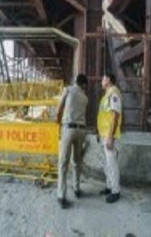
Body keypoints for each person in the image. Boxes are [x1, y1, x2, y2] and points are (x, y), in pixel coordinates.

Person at [55, 73, 89, 208]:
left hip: (68, 129)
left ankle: (61, 196)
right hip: (81, 131)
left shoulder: (68, 90)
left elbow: (59, 109)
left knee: (63, 162)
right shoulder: (85, 98)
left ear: (76, 81)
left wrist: (58, 124)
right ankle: (76, 189)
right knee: (77, 162)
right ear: (84, 85)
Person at [97, 72, 122, 203]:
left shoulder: (114, 93)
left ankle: (115, 191)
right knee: (107, 163)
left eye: (103, 79)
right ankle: (109, 186)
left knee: (112, 164)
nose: (101, 81)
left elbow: (115, 115)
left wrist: (111, 136)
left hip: (109, 135)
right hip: (104, 134)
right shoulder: (107, 94)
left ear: (108, 80)